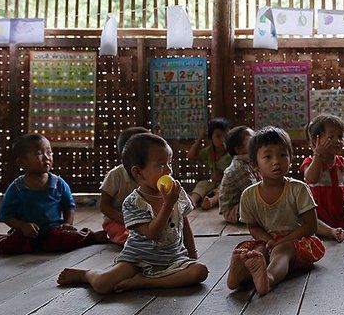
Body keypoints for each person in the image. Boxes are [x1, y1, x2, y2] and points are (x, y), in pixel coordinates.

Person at [57, 133, 209, 293]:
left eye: (169, 163)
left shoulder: (176, 194)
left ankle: (145, 283)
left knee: (200, 271)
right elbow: (152, 233)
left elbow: (184, 224)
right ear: (138, 172)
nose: (169, 170)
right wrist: (168, 205)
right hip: (137, 261)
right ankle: (87, 274)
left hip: (173, 259)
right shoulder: (133, 202)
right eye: (161, 165)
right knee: (103, 284)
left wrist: (192, 256)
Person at [227, 126, 325, 296]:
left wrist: (281, 241)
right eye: (267, 156)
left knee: (282, 251)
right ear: (254, 164)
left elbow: (311, 227)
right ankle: (238, 276)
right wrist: (268, 240)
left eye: (282, 155)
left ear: (290, 158)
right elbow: (254, 227)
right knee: (255, 251)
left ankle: (269, 278)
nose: (276, 161)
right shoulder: (249, 195)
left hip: (298, 241)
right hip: (269, 239)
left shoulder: (298, 189)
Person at [0, 134, 107, 254]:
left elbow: (69, 206)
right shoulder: (16, 188)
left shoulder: (58, 183)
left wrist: (67, 223)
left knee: (64, 240)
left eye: (49, 152)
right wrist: (22, 226)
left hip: (53, 231)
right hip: (25, 233)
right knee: (10, 245)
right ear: (22, 162)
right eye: (39, 153)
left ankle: (90, 236)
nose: (47, 157)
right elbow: (7, 216)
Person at [99, 126, 150, 245]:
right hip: (117, 221)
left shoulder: (150, 174)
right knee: (127, 236)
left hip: (143, 221)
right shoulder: (115, 175)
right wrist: (125, 220)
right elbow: (104, 206)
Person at [186, 118, 232, 210]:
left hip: (227, 183)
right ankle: (192, 201)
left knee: (224, 189)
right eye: (218, 136)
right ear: (211, 137)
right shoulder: (209, 151)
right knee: (201, 185)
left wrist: (222, 176)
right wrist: (200, 138)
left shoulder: (231, 152)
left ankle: (211, 202)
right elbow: (190, 155)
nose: (223, 139)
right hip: (212, 183)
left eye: (226, 136)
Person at [218, 126, 258, 224]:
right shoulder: (239, 167)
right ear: (239, 149)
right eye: (251, 139)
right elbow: (254, 193)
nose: (256, 140)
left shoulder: (248, 162)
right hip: (233, 211)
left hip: (241, 205)